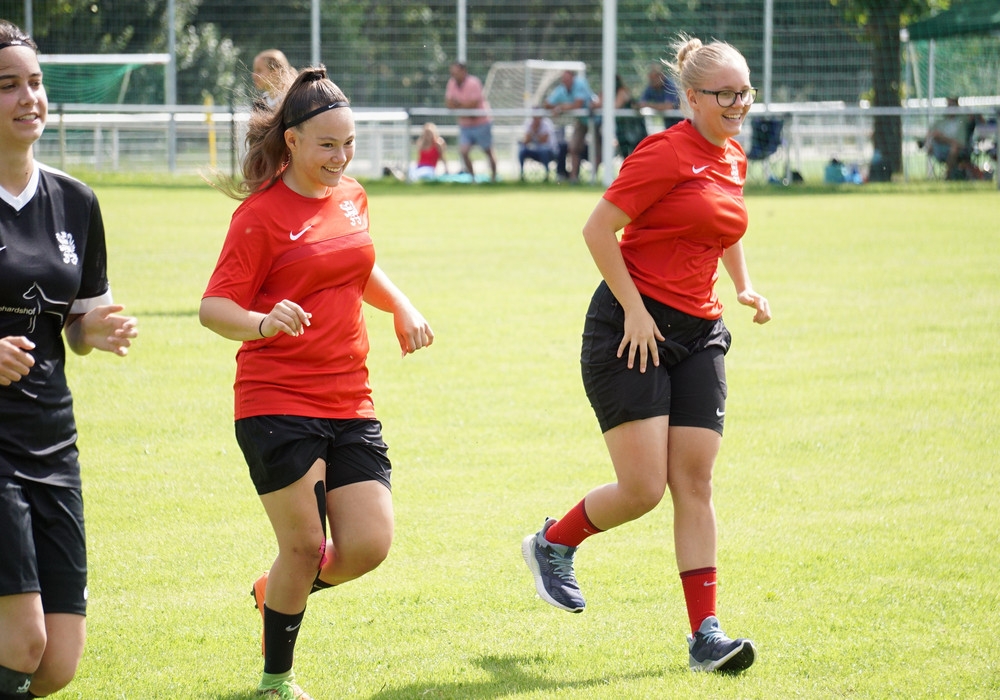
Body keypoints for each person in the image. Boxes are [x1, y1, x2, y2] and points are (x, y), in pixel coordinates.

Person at [521, 35, 770, 674]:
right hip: (629, 328)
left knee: (695, 481)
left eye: (745, 92)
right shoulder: (664, 152)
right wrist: (634, 309)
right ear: (691, 97)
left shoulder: (733, 155)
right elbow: (598, 229)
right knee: (642, 489)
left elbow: (723, 226)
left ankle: (706, 636)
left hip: (701, 331)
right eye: (724, 94)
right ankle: (553, 543)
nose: (738, 104)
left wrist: (743, 285)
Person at [200, 66, 434, 699]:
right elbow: (213, 307)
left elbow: (355, 262)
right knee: (304, 547)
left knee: (368, 546)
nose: (341, 157)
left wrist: (402, 305)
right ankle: (276, 681)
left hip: (349, 397)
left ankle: (274, 590)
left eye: (349, 143)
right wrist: (262, 322)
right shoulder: (259, 216)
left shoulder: (352, 196)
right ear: (293, 141)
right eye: (327, 144)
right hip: (276, 399)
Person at [0, 20, 138, 700]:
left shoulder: (77, 201)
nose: (29, 98)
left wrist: (94, 331)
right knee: (22, 642)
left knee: (56, 664)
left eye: (35, 82)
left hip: (52, 440)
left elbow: (78, 322)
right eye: (8, 85)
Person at [444, 62, 497, 182]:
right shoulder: (451, 83)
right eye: (452, 73)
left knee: (488, 151)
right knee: (464, 151)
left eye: (456, 72)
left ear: (463, 71)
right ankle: (473, 179)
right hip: (465, 125)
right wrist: (464, 107)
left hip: (481, 123)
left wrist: (458, 105)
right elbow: (449, 103)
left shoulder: (474, 83)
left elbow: (474, 104)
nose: (453, 75)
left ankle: (493, 178)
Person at [544, 69, 599, 183]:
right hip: (582, 121)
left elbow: (578, 104)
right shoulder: (561, 89)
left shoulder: (580, 84)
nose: (565, 81)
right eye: (564, 79)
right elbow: (547, 104)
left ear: (573, 78)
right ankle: (573, 178)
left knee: (598, 149)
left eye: (567, 79)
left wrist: (560, 108)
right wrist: (557, 107)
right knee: (573, 147)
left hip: (596, 120)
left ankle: (594, 179)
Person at [924, 96, 981, 180]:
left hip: (959, 147)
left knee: (954, 148)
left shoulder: (963, 119)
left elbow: (977, 117)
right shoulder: (940, 122)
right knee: (941, 140)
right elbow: (929, 134)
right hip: (940, 148)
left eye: (953, 105)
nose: (950, 107)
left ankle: (948, 176)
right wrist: (929, 143)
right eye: (949, 105)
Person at [611, 74, 648, 159]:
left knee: (636, 154)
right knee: (626, 155)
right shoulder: (615, 92)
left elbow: (615, 106)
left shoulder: (622, 91)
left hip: (632, 129)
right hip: (623, 129)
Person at [637, 63, 682, 130]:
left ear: (661, 76)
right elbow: (640, 103)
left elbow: (668, 107)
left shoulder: (670, 85)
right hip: (669, 122)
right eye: (650, 78)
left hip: (680, 121)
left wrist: (647, 105)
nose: (651, 81)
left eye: (654, 78)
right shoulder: (651, 87)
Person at [518, 112, 559, 180]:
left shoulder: (547, 123)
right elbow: (526, 141)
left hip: (549, 152)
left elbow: (544, 140)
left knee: (543, 149)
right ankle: (522, 174)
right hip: (535, 151)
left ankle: (547, 175)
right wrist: (532, 131)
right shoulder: (529, 123)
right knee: (522, 150)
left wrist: (535, 131)